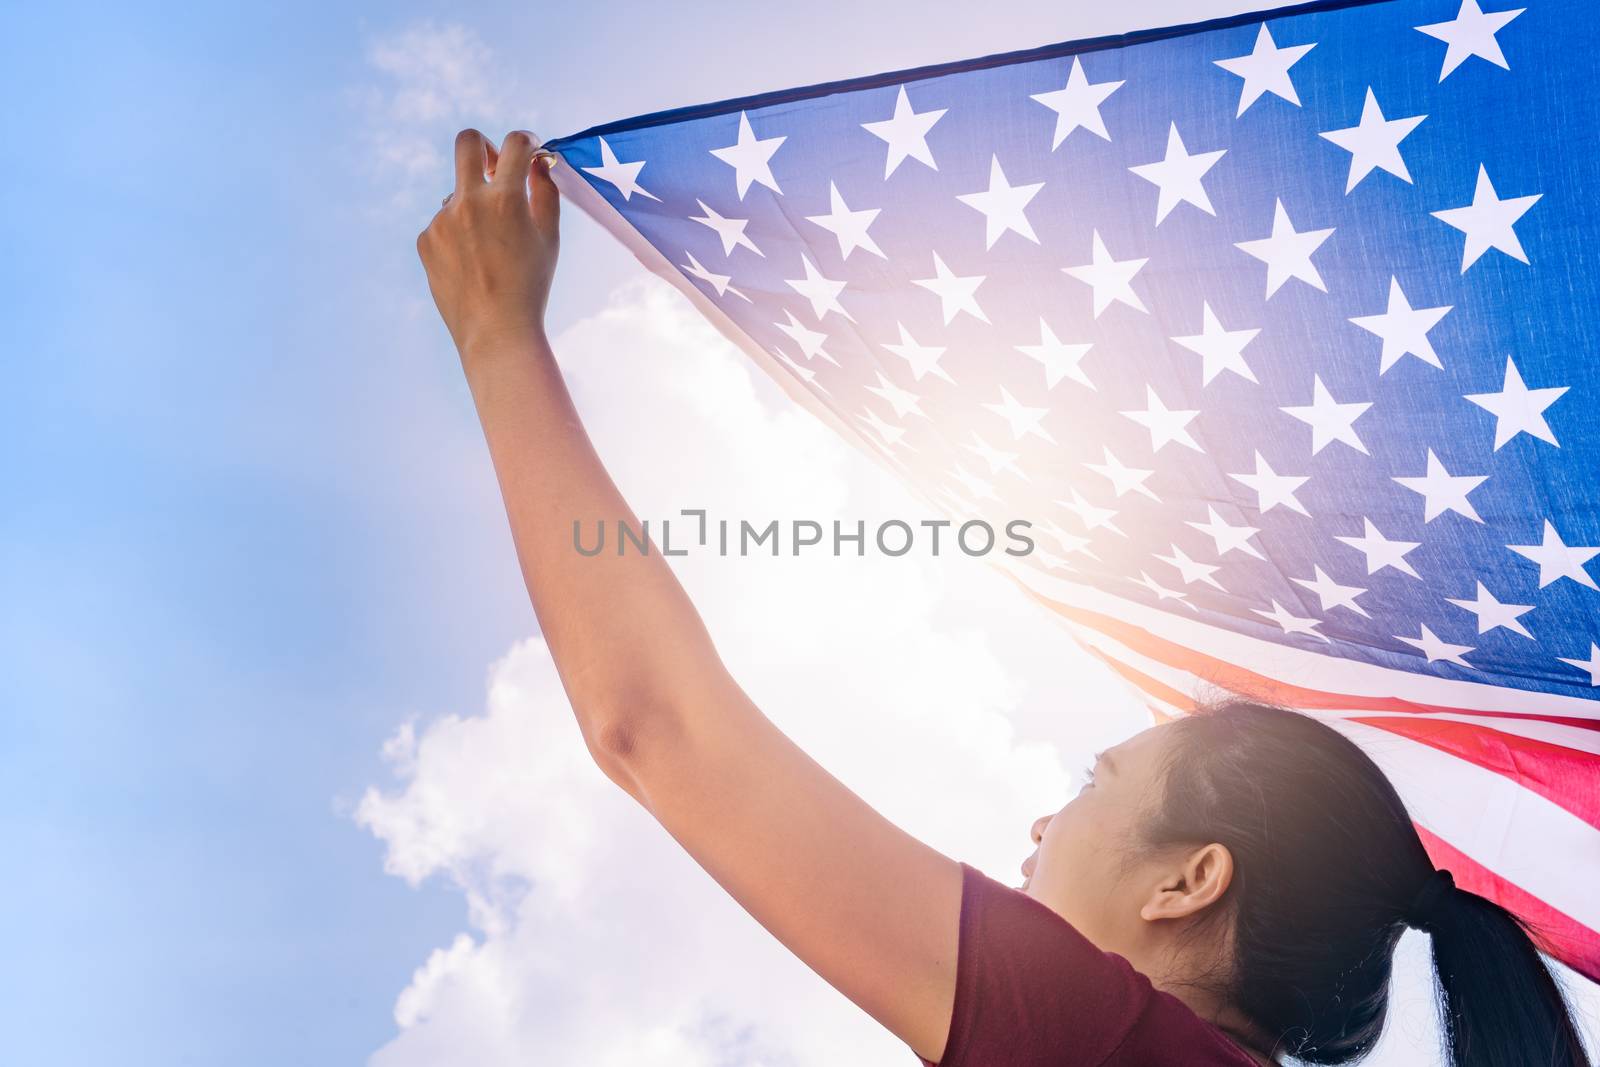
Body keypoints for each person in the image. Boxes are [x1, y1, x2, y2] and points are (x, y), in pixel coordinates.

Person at [414, 128, 1593, 1067]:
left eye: (1099, 780)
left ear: (1189, 880)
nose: (1041, 824)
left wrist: (497, 338)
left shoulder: (1103, 1034)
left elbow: (655, 725)